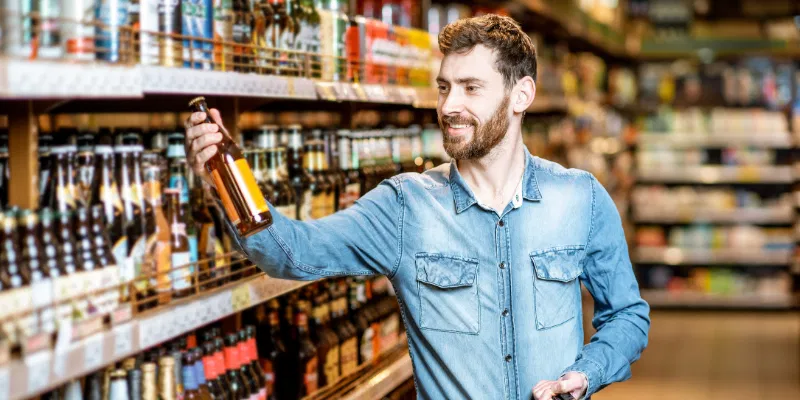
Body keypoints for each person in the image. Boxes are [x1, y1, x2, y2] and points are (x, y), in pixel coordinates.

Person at [185, 14, 650, 400]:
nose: (449, 105)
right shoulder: (404, 206)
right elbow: (288, 253)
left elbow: (627, 316)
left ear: (521, 96)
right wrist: (225, 180)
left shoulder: (580, 198)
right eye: (444, 87)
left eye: (471, 88)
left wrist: (586, 373)